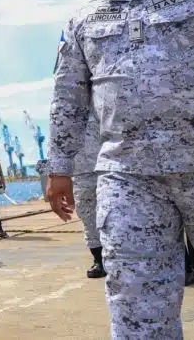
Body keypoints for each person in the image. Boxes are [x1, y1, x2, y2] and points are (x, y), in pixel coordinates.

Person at [46, 0, 194, 338]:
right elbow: (68, 96)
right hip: (128, 178)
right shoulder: (85, 17)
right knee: (136, 301)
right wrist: (59, 167)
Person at [70, 106, 105, 279]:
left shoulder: (103, 102)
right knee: (88, 218)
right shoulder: (67, 111)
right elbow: (58, 143)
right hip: (81, 173)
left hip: (107, 168)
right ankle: (99, 260)